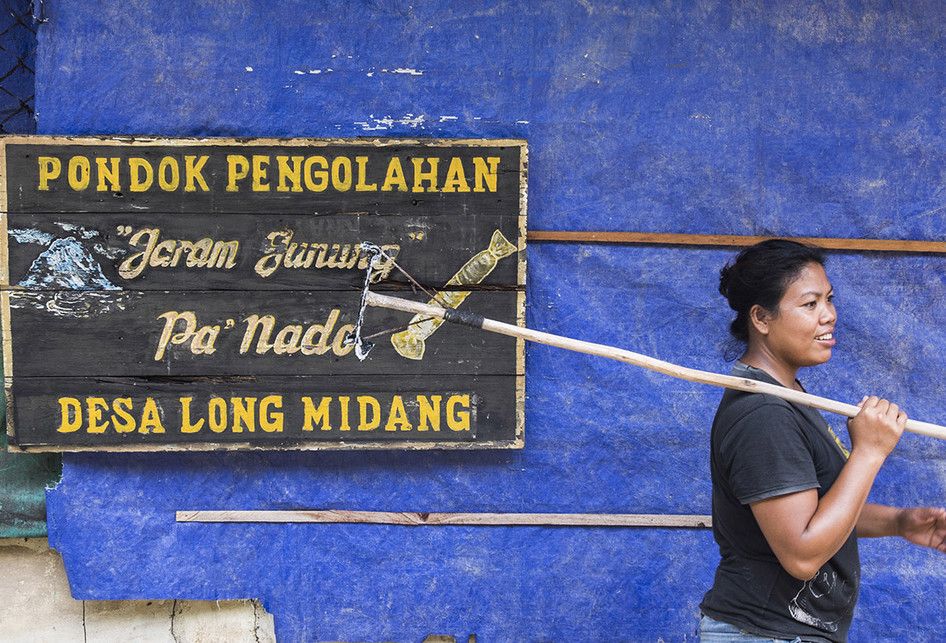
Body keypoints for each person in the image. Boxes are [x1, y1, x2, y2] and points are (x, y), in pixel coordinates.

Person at [698, 239, 946, 642]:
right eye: (810, 304)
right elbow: (802, 553)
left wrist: (899, 522)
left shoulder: (788, 397)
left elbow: (814, 513)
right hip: (762, 634)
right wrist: (868, 452)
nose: (829, 316)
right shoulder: (764, 413)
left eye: (829, 300)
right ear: (761, 318)